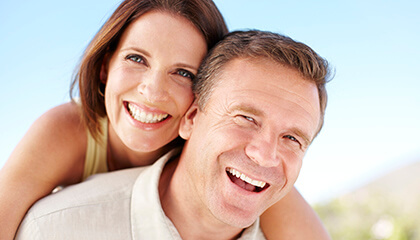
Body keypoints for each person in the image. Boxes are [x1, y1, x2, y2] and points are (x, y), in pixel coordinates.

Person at [0, 0, 329, 239]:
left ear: (198, 104)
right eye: (136, 58)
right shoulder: (65, 130)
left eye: (183, 72)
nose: (153, 92)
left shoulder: (248, 160)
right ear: (104, 66)